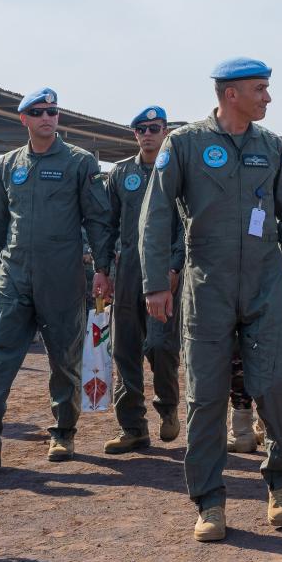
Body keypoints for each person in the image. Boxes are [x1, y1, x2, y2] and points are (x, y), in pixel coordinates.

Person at [139, 57, 282, 542]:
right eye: (261, 89)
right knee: (207, 396)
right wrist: (156, 282)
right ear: (230, 93)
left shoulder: (269, 147)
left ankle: (280, 481)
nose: (269, 99)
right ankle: (210, 501)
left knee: (280, 383)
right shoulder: (185, 143)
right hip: (206, 285)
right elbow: (155, 217)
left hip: (264, 284)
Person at [0, 87, 113, 469]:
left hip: (63, 277)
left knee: (63, 360)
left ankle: (64, 432)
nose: (47, 117)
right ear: (24, 119)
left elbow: (98, 219)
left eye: (52, 111)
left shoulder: (79, 162)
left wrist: (103, 269)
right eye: (37, 112)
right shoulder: (8, 165)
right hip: (13, 276)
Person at [101, 106, 184, 455]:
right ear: (134, 134)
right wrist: (102, 271)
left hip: (165, 272)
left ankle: (167, 407)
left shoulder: (178, 171)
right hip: (129, 273)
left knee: (161, 345)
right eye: (141, 129)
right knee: (125, 350)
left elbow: (185, 225)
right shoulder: (120, 174)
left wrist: (176, 268)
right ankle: (132, 427)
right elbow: (107, 225)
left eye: (154, 127)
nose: (148, 134)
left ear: (165, 131)